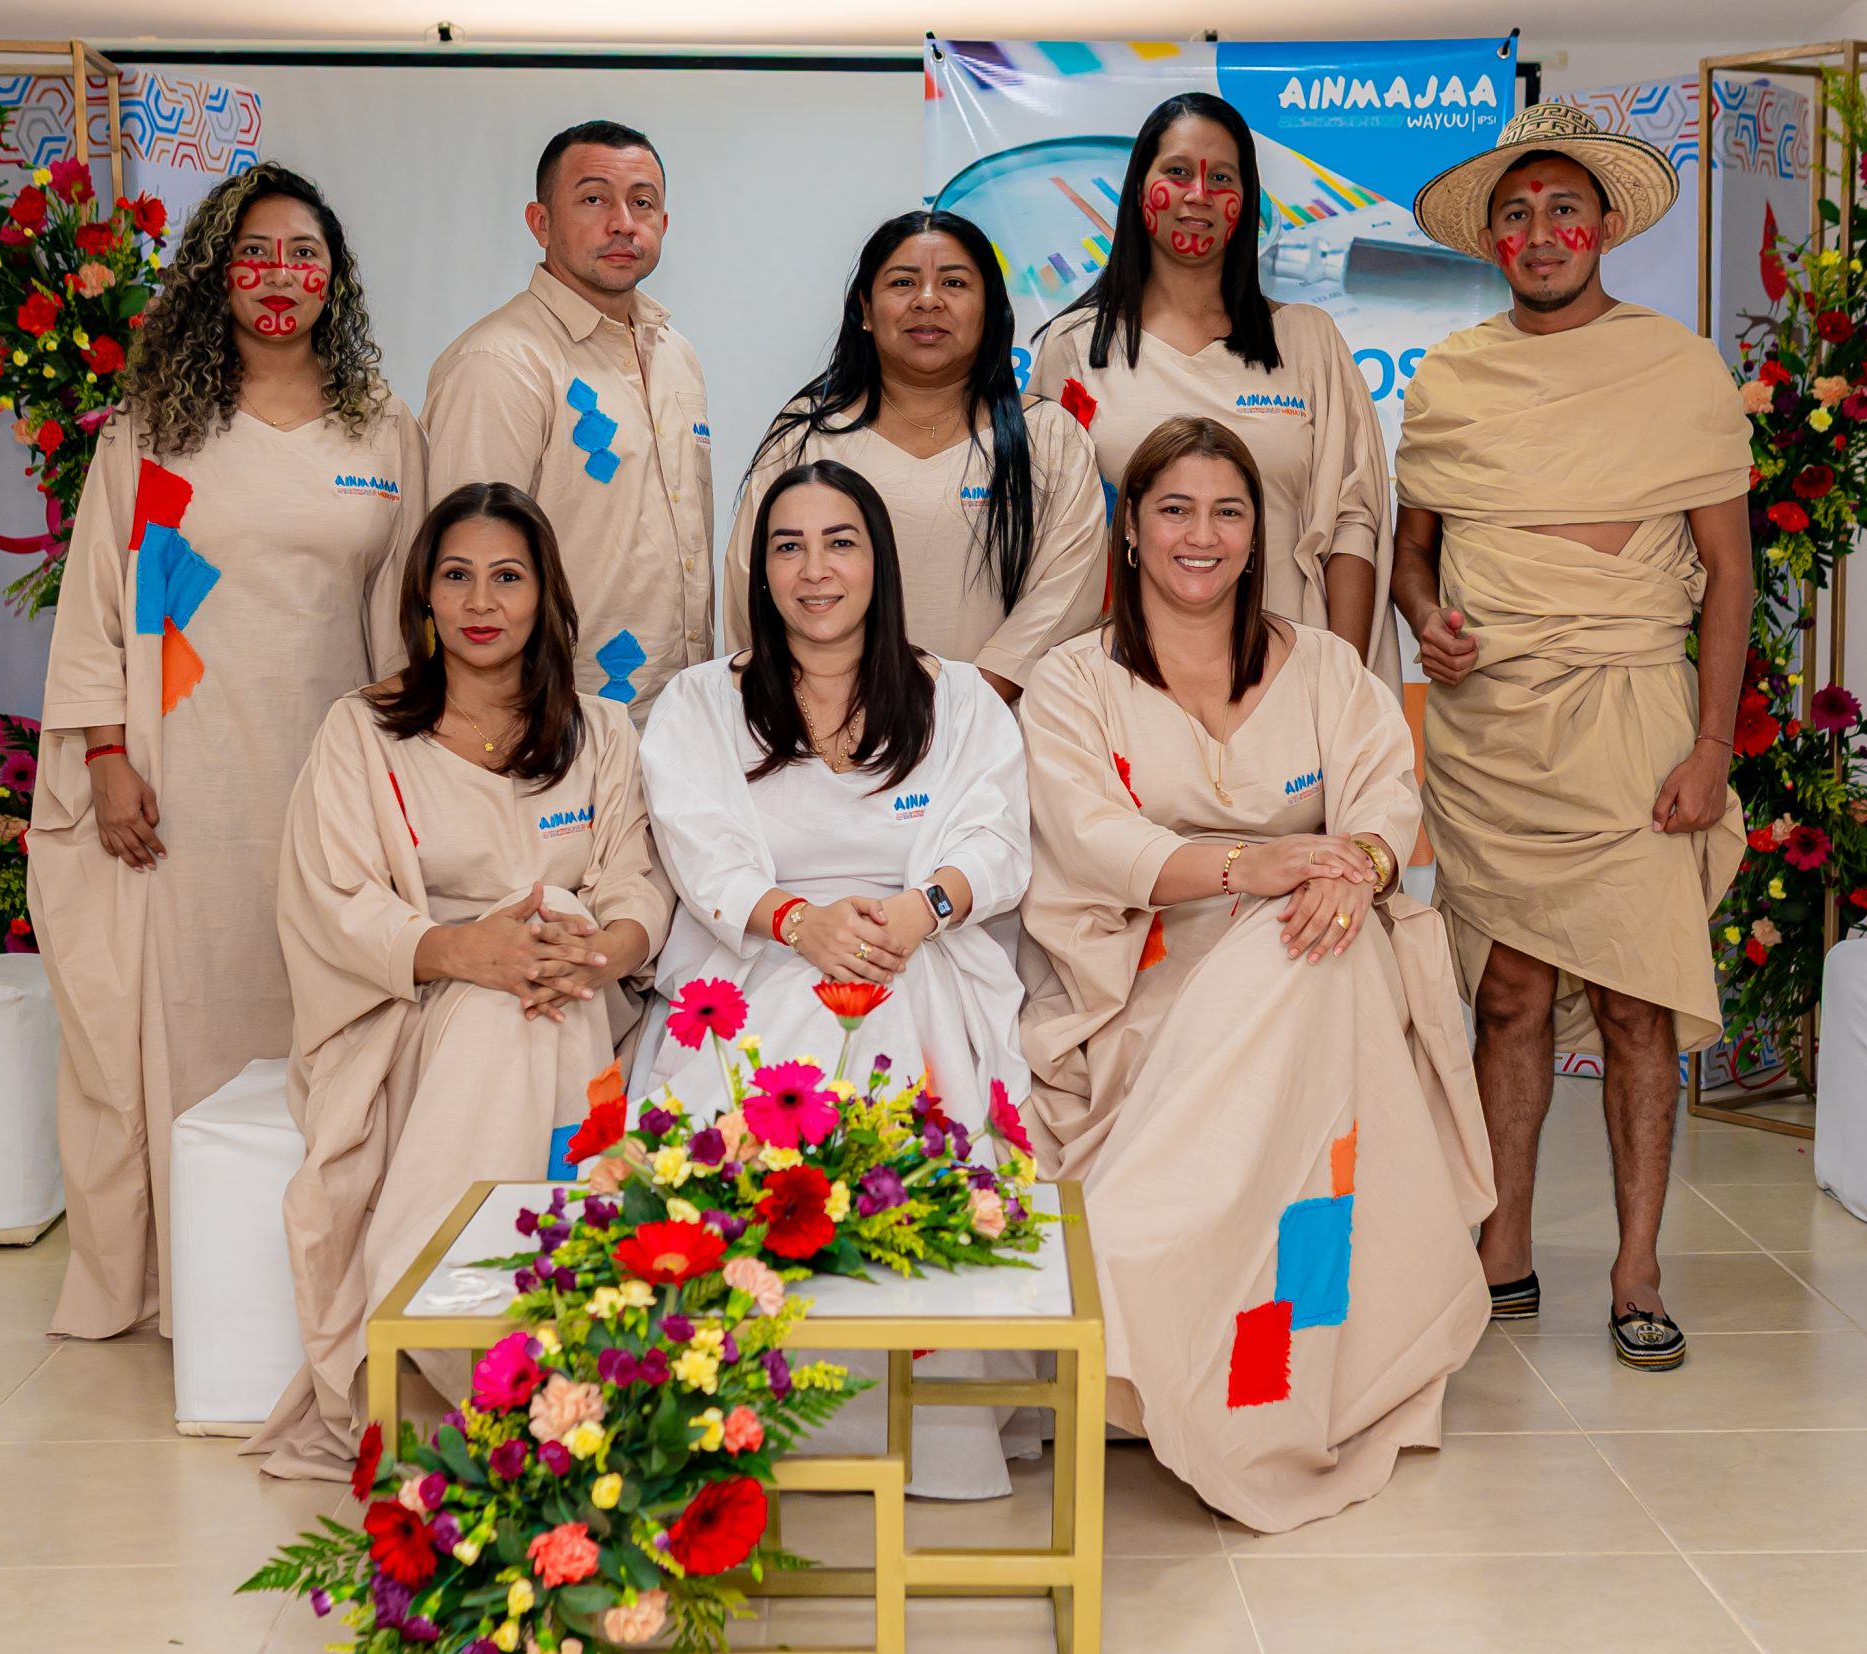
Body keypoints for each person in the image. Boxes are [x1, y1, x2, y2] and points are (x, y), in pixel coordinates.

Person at [1017, 415, 1495, 1533]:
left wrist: (1353, 868)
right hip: (1149, 969)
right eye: (1175, 510)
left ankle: (1214, 1315)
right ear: (1130, 530)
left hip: (1321, 950)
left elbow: (1384, 801)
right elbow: (1091, 838)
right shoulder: (1073, 681)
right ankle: (1201, 1315)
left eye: (1227, 512)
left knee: (1320, 952)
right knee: (1309, 950)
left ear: (1256, 533)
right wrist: (1256, 866)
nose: (1202, 535)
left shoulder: (1326, 668)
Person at [29, 161, 424, 1341]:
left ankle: (325, 1276)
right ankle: (192, 1293)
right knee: (189, 1014)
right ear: (217, 273)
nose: (279, 277)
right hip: (181, 776)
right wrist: (106, 756)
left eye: (305, 255)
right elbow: (101, 602)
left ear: (334, 280)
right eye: (255, 254)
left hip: (334, 773)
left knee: (326, 1003)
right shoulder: (157, 430)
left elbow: (410, 613)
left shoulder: (382, 427)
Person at [1393, 104, 1753, 1372]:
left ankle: (1637, 1265)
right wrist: (1424, 621)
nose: (1540, 232)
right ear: (1491, 239)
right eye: (1516, 214)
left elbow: (1729, 576)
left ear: (1602, 227)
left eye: (1561, 209)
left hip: (1637, 725)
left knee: (1638, 1000)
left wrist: (1710, 748)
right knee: (1506, 996)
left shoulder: (1678, 370)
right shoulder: (1450, 379)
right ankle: (1504, 1249)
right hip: (1493, 728)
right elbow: (1413, 553)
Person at [248, 483, 671, 1479]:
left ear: (544, 595)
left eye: (508, 576)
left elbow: (636, 882)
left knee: (548, 948)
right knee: (504, 1003)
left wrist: (600, 949)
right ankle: (522, 1352)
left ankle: (435, 1329)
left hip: (575, 998)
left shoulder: (603, 732)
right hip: (408, 1009)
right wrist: (463, 951)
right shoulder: (363, 732)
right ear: (424, 597)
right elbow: (333, 898)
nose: (482, 601)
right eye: (457, 576)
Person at [640, 460, 1037, 1499]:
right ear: (760, 569)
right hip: (758, 951)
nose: (814, 569)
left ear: (879, 560)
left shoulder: (958, 698)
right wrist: (799, 923)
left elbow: (997, 843)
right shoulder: (701, 703)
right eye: (789, 546)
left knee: (895, 1014)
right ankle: (751, 1411)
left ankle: (927, 1431)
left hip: (921, 947)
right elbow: (700, 851)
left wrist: (919, 911)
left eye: (839, 542)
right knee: (801, 1028)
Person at [1028, 93, 1393, 678]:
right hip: (1122, 682)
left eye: (1221, 177)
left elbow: (1354, 525)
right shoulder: (1074, 347)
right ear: (1138, 189)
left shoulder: (1307, 340)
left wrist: (1342, 687)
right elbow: (1048, 541)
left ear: (1247, 202)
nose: (1198, 194)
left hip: (1285, 682)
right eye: (1177, 172)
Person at [724, 211, 1107, 699]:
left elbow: (1066, 595)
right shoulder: (806, 435)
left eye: (954, 283)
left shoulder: (1048, 437)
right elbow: (751, 589)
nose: (928, 300)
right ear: (865, 309)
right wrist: (836, 715)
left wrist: (960, 709)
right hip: (826, 729)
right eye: (903, 282)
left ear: (990, 308)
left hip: (998, 728)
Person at [423, 119, 713, 720]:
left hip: (682, 718)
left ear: (664, 223)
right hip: (552, 724)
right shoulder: (499, 362)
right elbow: (461, 580)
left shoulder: (675, 354)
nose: (623, 223)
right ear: (541, 223)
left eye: (642, 203)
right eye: (594, 199)